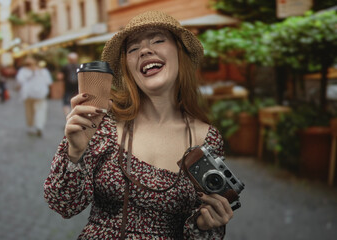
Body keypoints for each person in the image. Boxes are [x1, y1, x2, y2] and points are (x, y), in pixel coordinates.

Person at [44, 11, 234, 239]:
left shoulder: (209, 139)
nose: (145, 50)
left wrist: (204, 224)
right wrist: (74, 152)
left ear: (179, 53)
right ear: (128, 69)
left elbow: (205, 229)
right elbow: (64, 205)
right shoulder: (102, 123)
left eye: (158, 40)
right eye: (133, 49)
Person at [16, 56, 53, 137]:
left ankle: (30, 126)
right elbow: (49, 82)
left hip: (28, 94)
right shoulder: (43, 71)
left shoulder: (23, 71)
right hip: (40, 94)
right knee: (41, 110)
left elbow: (20, 81)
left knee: (29, 111)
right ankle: (39, 126)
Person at [58, 52, 80, 117]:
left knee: (66, 103)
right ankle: (76, 117)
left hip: (68, 87)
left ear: (69, 59)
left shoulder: (65, 67)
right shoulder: (80, 66)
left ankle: (68, 117)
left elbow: (59, 77)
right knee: (78, 102)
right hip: (78, 87)